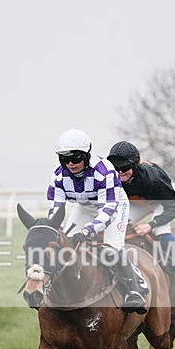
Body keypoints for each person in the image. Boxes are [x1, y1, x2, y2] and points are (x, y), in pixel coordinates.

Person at [47, 128, 148, 313]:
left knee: (111, 250)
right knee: (65, 242)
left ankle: (134, 291)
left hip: (114, 207)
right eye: (64, 158)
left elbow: (107, 210)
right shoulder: (58, 176)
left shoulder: (105, 171)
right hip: (84, 206)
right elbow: (56, 209)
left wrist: (86, 231)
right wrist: (57, 231)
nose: (70, 163)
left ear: (86, 155)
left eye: (76, 158)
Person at [106, 140, 175, 287]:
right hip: (138, 202)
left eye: (125, 167)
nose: (120, 172)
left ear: (135, 165)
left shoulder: (154, 179)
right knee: (118, 226)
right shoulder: (111, 177)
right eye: (116, 167)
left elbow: (173, 208)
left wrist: (150, 225)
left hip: (163, 201)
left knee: (160, 229)